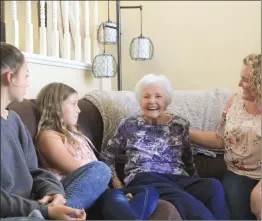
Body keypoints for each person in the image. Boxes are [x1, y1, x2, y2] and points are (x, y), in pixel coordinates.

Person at [101, 73, 230, 220]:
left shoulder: (180, 124)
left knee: (213, 186)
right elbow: (107, 157)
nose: (152, 101)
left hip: (177, 178)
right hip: (145, 177)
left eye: (158, 96)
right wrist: (117, 183)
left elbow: (188, 160)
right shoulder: (129, 125)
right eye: (146, 96)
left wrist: (194, 183)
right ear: (140, 100)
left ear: (167, 100)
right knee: (187, 202)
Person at [35, 82, 159, 220]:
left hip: (99, 192)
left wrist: (118, 195)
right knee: (101, 169)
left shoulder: (77, 135)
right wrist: (111, 190)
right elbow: (81, 171)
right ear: (56, 106)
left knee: (148, 190)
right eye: (74, 104)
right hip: (73, 191)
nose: (79, 110)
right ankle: (64, 213)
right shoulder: (49, 136)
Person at [0, 42, 86, 220]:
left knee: (99, 171)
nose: (27, 83)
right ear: (10, 78)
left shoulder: (14, 120)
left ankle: (61, 210)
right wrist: (46, 211)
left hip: (35, 203)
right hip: (12, 213)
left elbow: (35, 170)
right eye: (26, 75)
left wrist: (54, 191)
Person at [189, 54, 261, 220]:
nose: (239, 84)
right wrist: (188, 133)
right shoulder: (234, 101)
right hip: (237, 173)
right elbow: (219, 139)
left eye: (245, 80)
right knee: (233, 213)